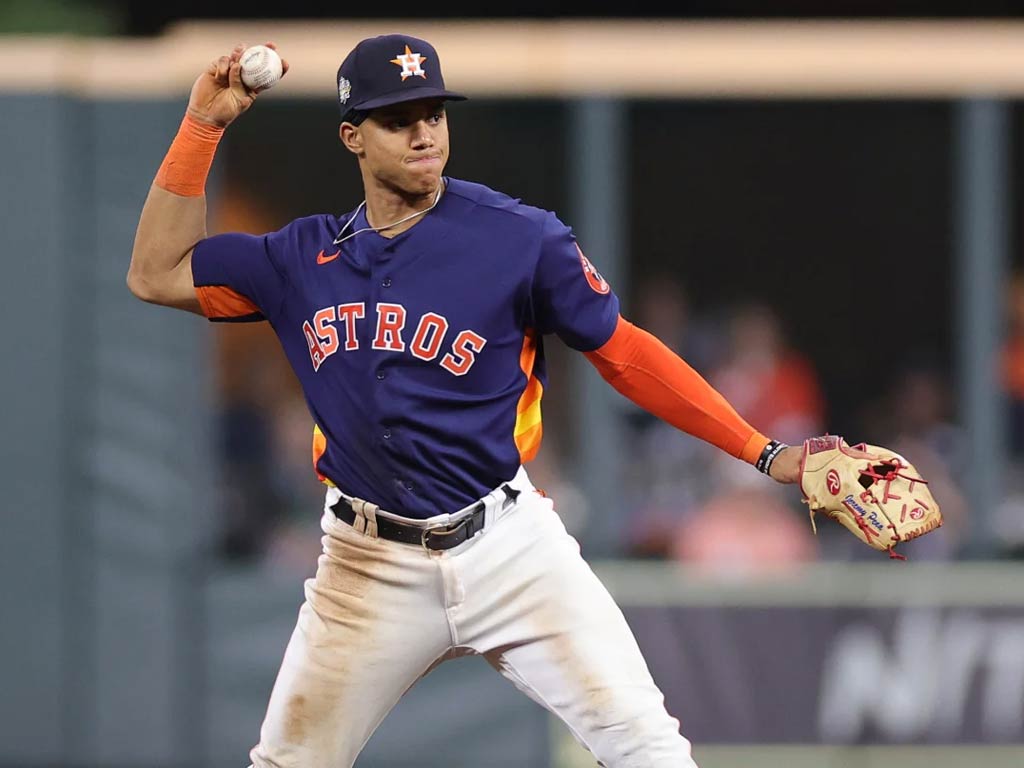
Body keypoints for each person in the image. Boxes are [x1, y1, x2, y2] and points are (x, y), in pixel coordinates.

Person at [127, 34, 812, 768]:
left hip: (509, 547)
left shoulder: (519, 238)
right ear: (353, 138)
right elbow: (155, 272)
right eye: (399, 119)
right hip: (366, 566)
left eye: (434, 113)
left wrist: (765, 453)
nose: (425, 133)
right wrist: (204, 124)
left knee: (650, 750)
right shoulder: (300, 259)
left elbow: (624, 352)